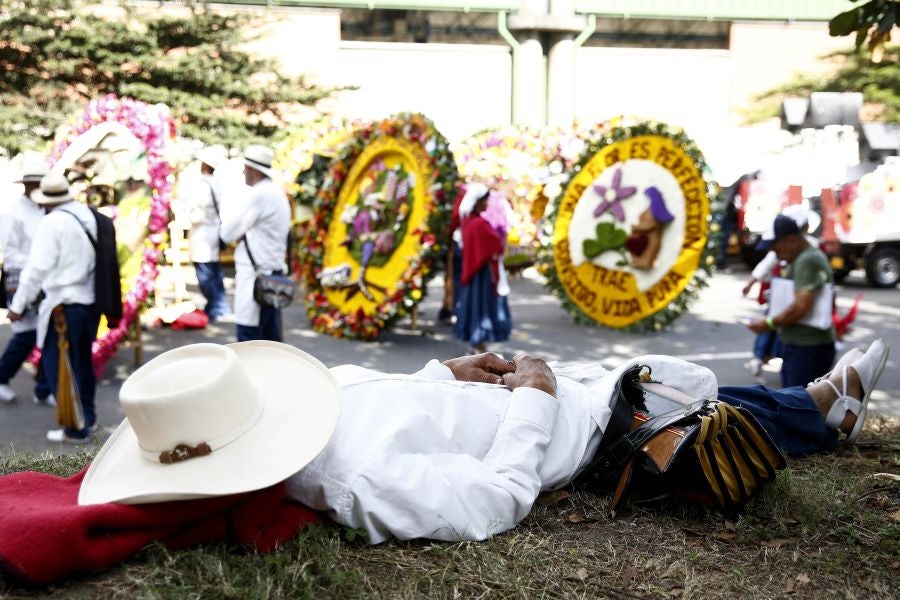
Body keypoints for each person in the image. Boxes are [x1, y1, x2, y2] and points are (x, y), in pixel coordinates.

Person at [77, 337, 888, 544]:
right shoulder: (357, 482)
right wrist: (531, 399)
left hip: (524, 399)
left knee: (632, 385)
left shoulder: (309, 412)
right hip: (570, 431)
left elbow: (395, 402)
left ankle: (816, 405)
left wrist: (445, 371)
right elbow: (498, 500)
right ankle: (817, 408)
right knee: (658, 406)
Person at [6, 174, 100, 443]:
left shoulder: (52, 222)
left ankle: (75, 428)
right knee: (82, 364)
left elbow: (36, 269)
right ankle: (88, 419)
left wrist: (19, 305)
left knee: (61, 368)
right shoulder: (86, 215)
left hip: (63, 306)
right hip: (87, 301)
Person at [747, 214, 836, 388]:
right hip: (800, 347)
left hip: (807, 349)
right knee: (794, 402)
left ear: (792, 241)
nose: (776, 255)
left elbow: (801, 307)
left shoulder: (807, 260)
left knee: (798, 407)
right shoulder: (801, 258)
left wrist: (769, 323)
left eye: (777, 249)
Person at [220, 146, 290, 342]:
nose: (243, 172)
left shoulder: (258, 195)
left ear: (254, 171)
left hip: (255, 280)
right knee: (272, 343)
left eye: (245, 168)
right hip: (273, 277)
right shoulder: (276, 193)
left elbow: (227, 232)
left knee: (251, 344)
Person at [0, 162, 53, 405]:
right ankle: (2, 377)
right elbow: (9, 253)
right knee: (26, 335)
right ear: (29, 186)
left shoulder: (45, 210)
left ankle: (44, 388)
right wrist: (36, 261)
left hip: (44, 279)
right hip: (20, 279)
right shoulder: (13, 213)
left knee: (47, 332)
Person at [453, 183, 512, 354]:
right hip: (481, 273)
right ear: (477, 202)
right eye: (485, 201)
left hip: (473, 272)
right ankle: (478, 344)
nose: (487, 205)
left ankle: (476, 345)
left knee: (474, 306)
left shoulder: (468, 222)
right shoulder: (479, 224)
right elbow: (494, 244)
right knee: (481, 307)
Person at [179, 146, 232, 321]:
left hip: (203, 235)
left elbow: (193, 209)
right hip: (212, 233)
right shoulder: (216, 184)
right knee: (214, 272)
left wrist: (184, 216)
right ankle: (218, 305)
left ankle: (217, 307)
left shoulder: (202, 185)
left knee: (206, 273)